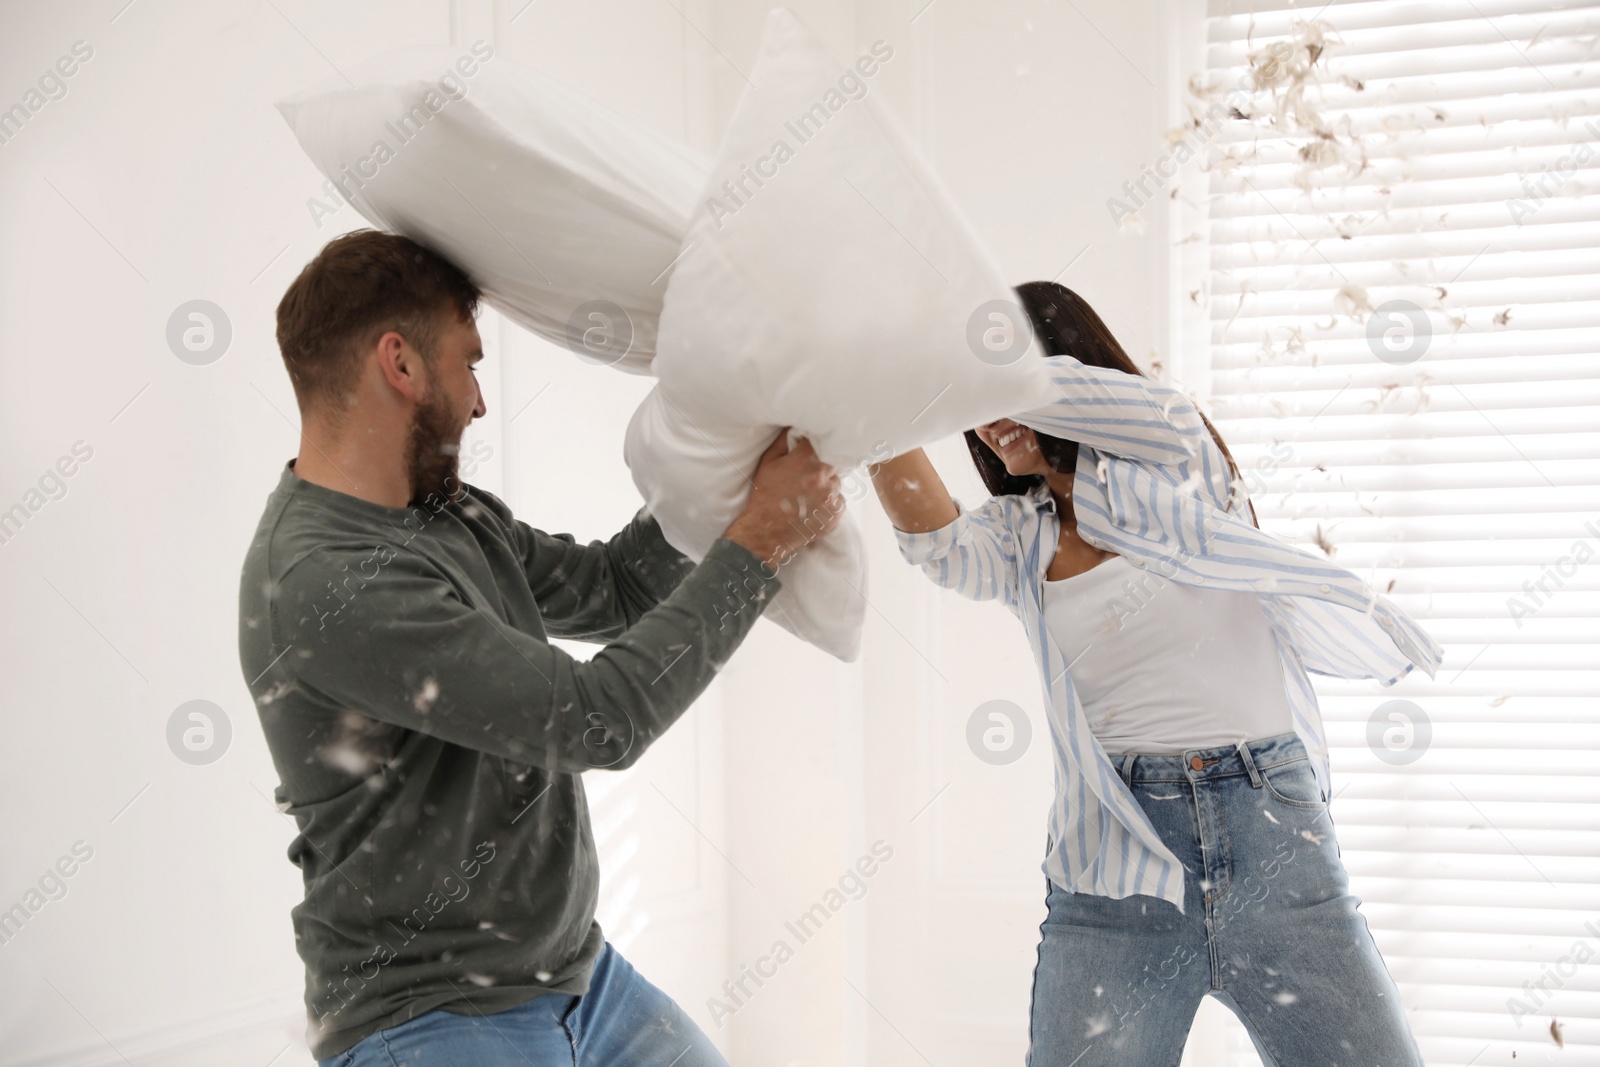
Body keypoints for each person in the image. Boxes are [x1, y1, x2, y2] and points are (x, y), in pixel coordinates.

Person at [237, 228, 843, 1066]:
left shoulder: (450, 514)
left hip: (579, 981)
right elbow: (597, 721)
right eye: (469, 361)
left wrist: (720, 462)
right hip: (428, 1017)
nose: (479, 401)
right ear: (400, 365)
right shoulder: (325, 582)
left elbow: (615, 588)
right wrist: (762, 541)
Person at [870, 281, 1440, 1066]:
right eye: (971, 396)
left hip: (1272, 840)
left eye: (1001, 380)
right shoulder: (1019, 536)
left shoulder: (1178, 467)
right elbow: (935, 545)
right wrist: (855, 396)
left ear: (1065, 367)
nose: (986, 412)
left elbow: (1155, 413)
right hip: (1115, 872)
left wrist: (981, 360)